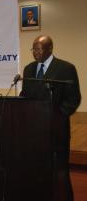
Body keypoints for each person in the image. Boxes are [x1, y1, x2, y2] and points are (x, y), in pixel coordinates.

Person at [20, 35, 81, 201]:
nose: (35, 53)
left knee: (59, 172)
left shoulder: (66, 68)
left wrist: (57, 115)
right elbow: (25, 95)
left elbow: (74, 99)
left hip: (56, 130)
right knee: (36, 170)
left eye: (38, 49)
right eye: (33, 49)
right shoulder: (28, 69)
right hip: (33, 132)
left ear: (50, 49)